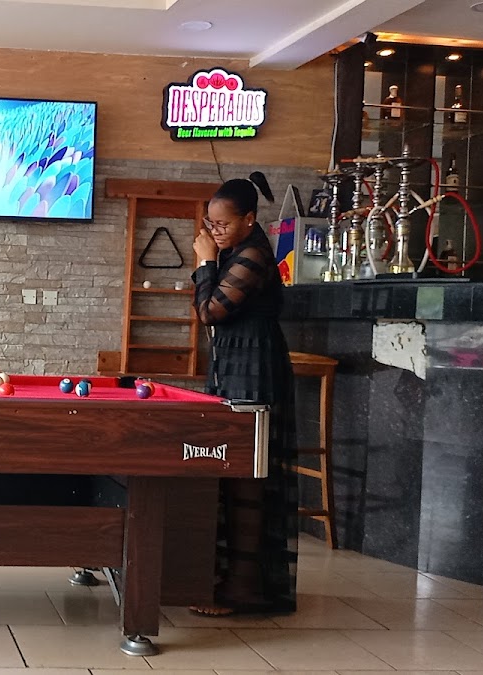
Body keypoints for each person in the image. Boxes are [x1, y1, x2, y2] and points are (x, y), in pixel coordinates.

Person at [189, 171, 298, 617]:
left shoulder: (252, 254)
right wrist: (212, 260)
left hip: (254, 367)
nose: (215, 231)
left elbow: (210, 311)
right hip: (236, 363)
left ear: (249, 219)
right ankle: (233, 580)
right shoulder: (237, 251)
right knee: (233, 472)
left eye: (223, 223)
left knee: (248, 476)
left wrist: (205, 263)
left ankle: (244, 588)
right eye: (210, 224)